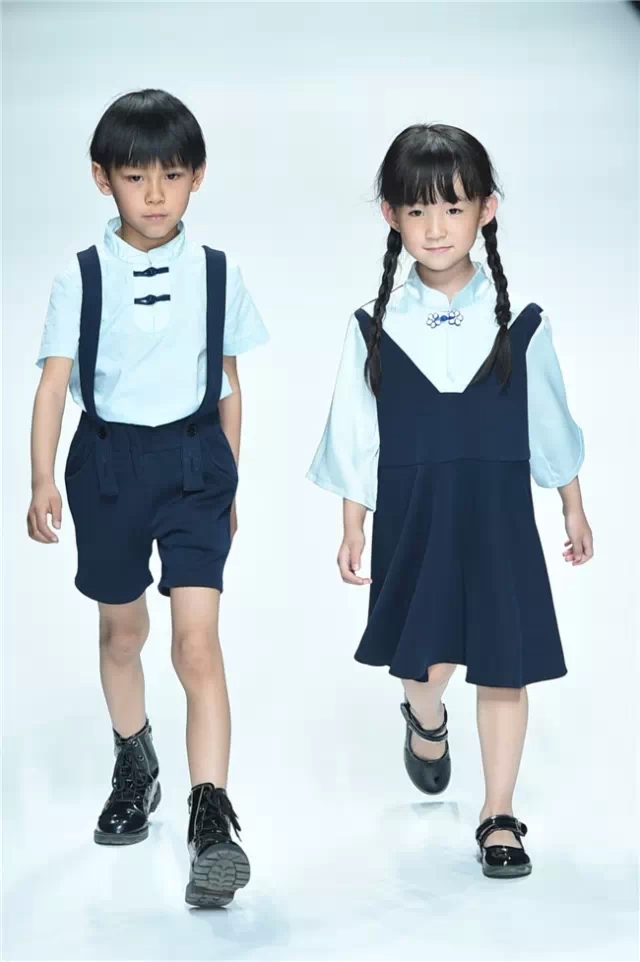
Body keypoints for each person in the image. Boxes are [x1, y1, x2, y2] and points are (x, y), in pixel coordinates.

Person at [307, 123, 593, 879]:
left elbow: (549, 419)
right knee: (425, 666)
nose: (436, 228)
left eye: (454, 208)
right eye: (417, 210)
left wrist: (572, 503)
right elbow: (355, 432)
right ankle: (425, 721)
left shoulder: (520, 320)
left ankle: (498, 814)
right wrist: (352, 523)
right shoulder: (375, 324)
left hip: (498, 516)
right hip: (415, 515)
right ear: (391, 215)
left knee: (504, 665)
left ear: (487, 210)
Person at [27, 89, 268, 907]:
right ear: (103, 179)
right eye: (136, 177)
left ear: (198, 176)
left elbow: (229, 383)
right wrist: (41, 478)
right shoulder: (81, 276)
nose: (156, 194)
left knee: (197, 644)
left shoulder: (218, 272)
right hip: (110, 465)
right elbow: (53, 384)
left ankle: (212, 819)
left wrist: (230, 478)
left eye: (172, 175)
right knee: (123, 632)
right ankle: (136, 761)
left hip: (197, 463)